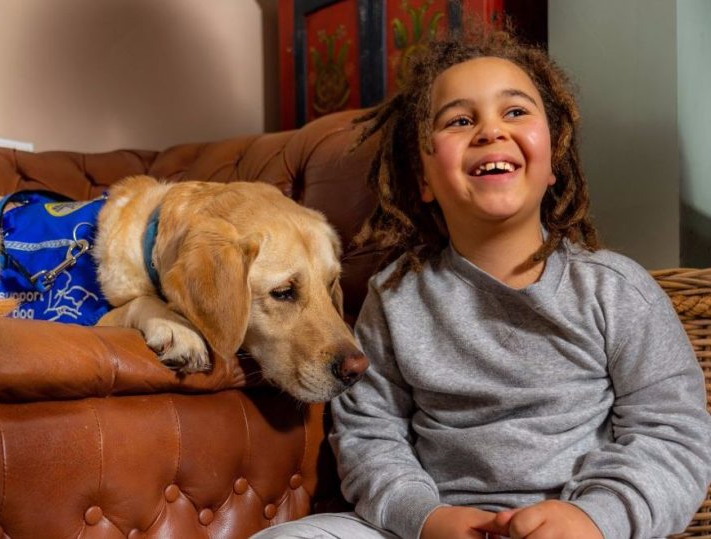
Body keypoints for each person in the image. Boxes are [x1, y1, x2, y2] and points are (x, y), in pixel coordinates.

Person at [252, 28, 711, 539]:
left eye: (515, 112)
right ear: (424, 180)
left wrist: (595, 519)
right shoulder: (397, 296)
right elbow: (368, 434)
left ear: (553, 161)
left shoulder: (616, 290)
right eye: (460, 120)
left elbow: (673, 438)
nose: (490, 130)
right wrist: (426, 519)